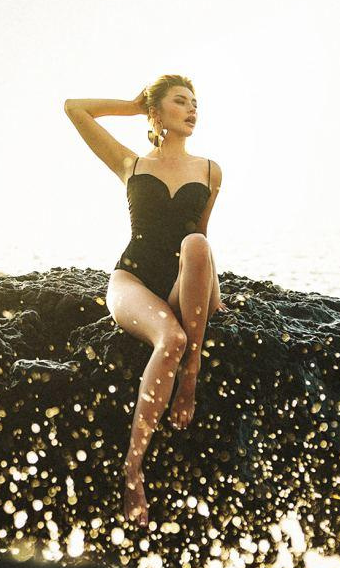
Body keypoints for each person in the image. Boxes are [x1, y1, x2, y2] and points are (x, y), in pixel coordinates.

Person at [64, 75, 225, 527]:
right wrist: (134, 106)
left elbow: (205, 239)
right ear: (159, 111)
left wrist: (219, 298)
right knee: (168, 339)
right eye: (181, 102)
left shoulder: (211, 170)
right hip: (133, 279)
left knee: (194, 244)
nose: (193, 110)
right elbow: (74, 106)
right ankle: (132, 468)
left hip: (183, 280)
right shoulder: (130, 164)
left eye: (196, 103)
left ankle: (189, 375)